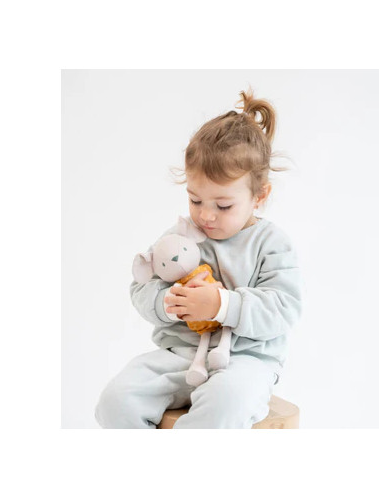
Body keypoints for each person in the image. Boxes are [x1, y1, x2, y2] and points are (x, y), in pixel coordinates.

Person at [95, 88, 302, 428]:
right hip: (180, 356)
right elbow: (142, 285)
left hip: (245, 361)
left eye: (223, 205)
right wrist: (168, 303)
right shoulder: (181, 237)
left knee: (226, 403)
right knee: (116, 400)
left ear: (259, 196)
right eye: (195, 200)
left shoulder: (271, 243)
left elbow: (283, 309)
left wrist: (221, 305)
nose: (206, 215)